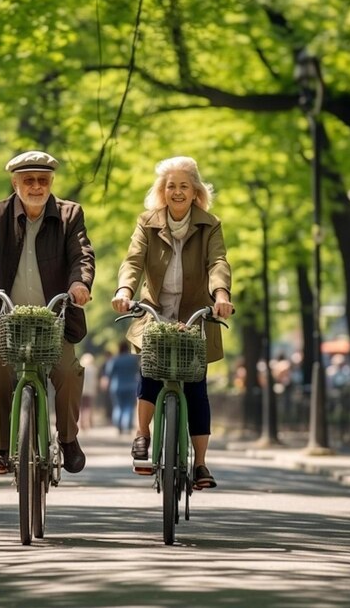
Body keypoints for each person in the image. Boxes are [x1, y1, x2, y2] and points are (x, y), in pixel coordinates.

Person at [0, 150, 95, 475]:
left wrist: (80, 284)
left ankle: (67, 439)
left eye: (43, 180)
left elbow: (81, 254)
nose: (36, 186)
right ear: (15, 183)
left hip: (54, 319)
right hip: (9, 318)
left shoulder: (70, 214)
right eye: (29, 180)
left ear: (51, 182)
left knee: (67, 371)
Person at [111, 156, 233, 490]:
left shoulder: (210, 224)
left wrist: (221, 294)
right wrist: (124, 290)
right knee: (150, 373)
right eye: (170, 186)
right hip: (155, 311)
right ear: (162, 192)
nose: (177, 192)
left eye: (183, 186)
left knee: (196, 387)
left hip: (195, 315)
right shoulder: (147, 222)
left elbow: (217, 261)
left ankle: (202, 464)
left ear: (195, 192)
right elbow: (133, 260)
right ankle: (142, 435)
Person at [105, 340, 140, 434]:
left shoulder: (115, 359)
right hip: (131, 386)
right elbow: (138, 370)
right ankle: (127, 426)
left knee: (118, 407)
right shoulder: (133, 359)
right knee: (128, 407)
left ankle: (119, 426)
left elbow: (109, 373)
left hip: (117, 386)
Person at [79, 352, 99, 430]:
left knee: (81, 407)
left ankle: (80, 423)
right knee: (88, 407)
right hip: (90, 391)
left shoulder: (80, 368)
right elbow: (95, 381)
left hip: (81, 390)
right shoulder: (93, 369)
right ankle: (87, 423)